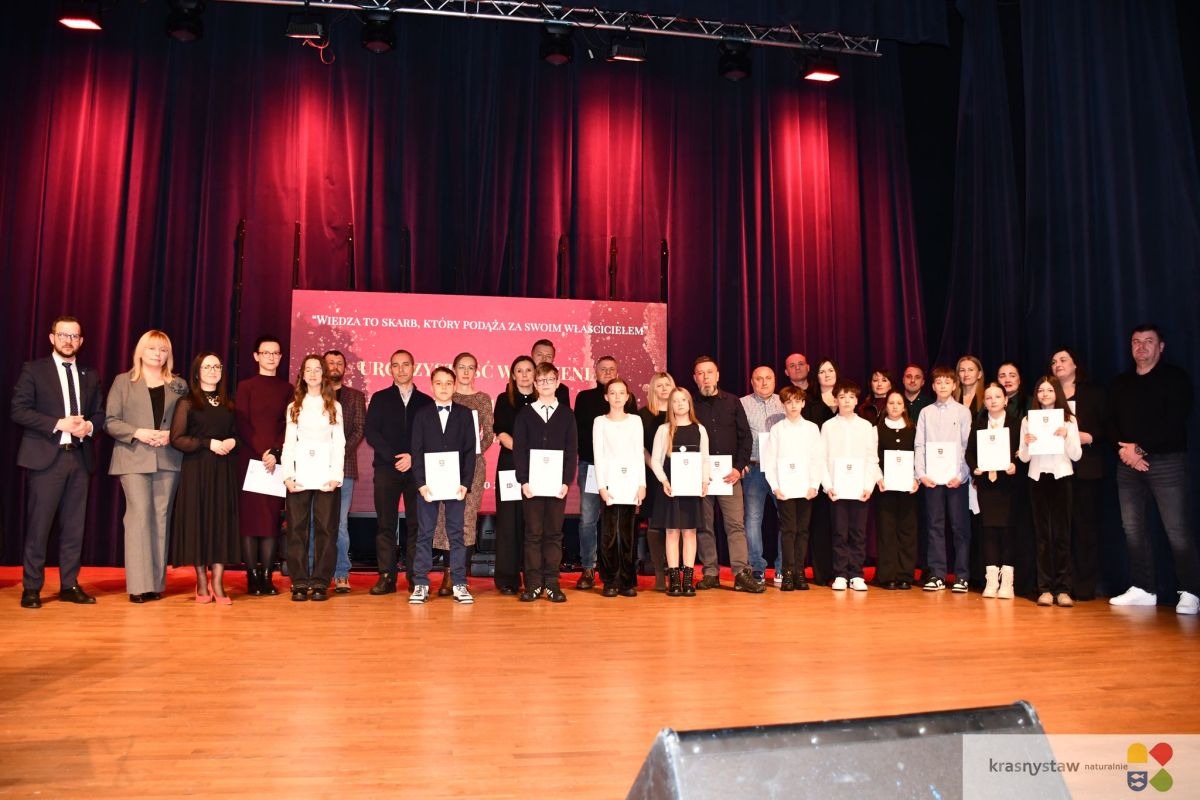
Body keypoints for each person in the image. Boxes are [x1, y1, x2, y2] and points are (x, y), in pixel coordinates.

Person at [11, 316, 105, 608]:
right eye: (63, 335)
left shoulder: (90, 374)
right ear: (52, 338)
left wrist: (89, 427)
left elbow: (100, 414)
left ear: (81, 341)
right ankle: (31, 588)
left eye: (74, 336)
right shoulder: (34, 370)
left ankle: (69, 584)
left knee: (74, 528)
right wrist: (58, 424)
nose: (69, 340)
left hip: (79, 459)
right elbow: (19, 410)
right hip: (46, 461)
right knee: (39, 527)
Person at [1107, 324, 1200, 614]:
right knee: (1133, 529)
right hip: (1127, 465)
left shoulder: (1175, 378)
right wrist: (1125, 451)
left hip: (1167, 462)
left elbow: (1175, 421)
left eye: (1148, 341)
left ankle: (1191, 591)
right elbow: (1109, 422)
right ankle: (1143, 588)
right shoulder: (1121, 382)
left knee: (1177, 529)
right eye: (1136, 342)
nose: (1141, 347)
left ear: (1161, 346)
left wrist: (1140, 449)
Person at [104, 330, 187, 603]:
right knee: (139, 517)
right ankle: (138, 586)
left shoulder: (179, 385)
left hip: (167, 459)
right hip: (133, 457)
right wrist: (137, 432)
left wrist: (171, 435)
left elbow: (188, 421)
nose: (158, 354)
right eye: (152, 349)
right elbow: (111, 421)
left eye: (163, 350)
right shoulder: (123, 381)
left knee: (161, 518)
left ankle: (155, 584)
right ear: (141, 351)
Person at [169, 352, 240, 604]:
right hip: (197, 471)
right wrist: (207, 443)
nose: (212, 371)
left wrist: (233, 441)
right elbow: (177, 439)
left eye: (216, 366)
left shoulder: (229, 403)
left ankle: (218, 583)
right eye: (207, 367)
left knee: (221, 524)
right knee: (198, 524)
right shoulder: (187, 402)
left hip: (223, 472)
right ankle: (201, 581)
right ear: (197, 373)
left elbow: (237, 434)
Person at [364, 349, 433, 595]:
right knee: (386, 524)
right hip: (387, 468)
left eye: (406, 364)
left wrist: (413, 458)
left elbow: (431, 436)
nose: (401, 369)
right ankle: (386, 577)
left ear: (414, 367)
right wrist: (395, 457)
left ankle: (415, 576)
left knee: (417, 525)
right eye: (396, 365)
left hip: (417, 471)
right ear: (390, 369)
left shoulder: (426, 401)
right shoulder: (380, 398)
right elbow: (371, 432)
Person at [692, 356, 762, 593]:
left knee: (735, 525)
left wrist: (739, 467)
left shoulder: (733, 402)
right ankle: (710, 573)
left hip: (729, 475)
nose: (705, 377)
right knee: (704, 526)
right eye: (701, 373)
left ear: (717, 375)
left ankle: (741, 573)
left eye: (709, 372)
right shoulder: (690, 404)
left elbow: (746, 437)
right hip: (702, 476)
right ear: (695, 378)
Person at [409, 367, 478, 604]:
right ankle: (420, 583)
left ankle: (459, 583)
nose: (444, 387)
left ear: (455, 385)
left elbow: (470, 452)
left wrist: (465, 483)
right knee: (424, 533)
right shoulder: (422, 414)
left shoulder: (465, 414)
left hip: (455, 486)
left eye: (448, 383)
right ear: (431, 386)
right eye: (439, 383)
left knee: (456, 534)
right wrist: (420, 483)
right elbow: (416, 451)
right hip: (428, 486)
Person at [281, 356, 345, 602]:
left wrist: (335, 476)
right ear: (302, 375)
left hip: (326, 476)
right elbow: (289, 443)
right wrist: (287, 475)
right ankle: (299, 581)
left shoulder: (334, 406)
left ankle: (320, 582)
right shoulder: (294, 406)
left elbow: (339, 443)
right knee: (296, 529)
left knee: (326, 530)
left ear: (324, 374)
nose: (313, 373)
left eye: (317, 369)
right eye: (308, 370)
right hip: (300, 476)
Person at [513, 362, 578, 602]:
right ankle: (532, 584)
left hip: (556, 486)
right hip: (531, 486)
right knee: (533, 534)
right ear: (535, 384)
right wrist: (523, 480)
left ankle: (552, 583)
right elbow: (519, 450)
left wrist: (566, 481)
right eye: (541, 380)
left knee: (553, 534)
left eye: (550, 380)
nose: (546, 384)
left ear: (557, 382)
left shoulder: (567, 414)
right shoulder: (526, 413)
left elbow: (571, 450)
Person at [431, 352, 494, 596]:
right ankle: (448, 573)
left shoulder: (482, 399)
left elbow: (488, 434)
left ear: (476, 371)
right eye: (461, 367)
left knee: (466, 520)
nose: (466, 372)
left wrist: (474, 451)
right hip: (444, 466)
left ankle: (460, 575)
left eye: (470, 367)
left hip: (473, 467)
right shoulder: (447, 396)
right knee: (445, 519)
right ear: (454, 370)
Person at [572, 355, 636, 591]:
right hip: (591, 466)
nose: (607, 372)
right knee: (588, 519)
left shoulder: (627, 400)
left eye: (612, 369)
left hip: (621, 473)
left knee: (617, 522)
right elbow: (579, 432)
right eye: (603, 369)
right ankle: (588, 568)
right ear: (595, 372)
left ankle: (618, 573)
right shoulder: (584, 398)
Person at [1018, 376, 1082, 607]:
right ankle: (1044, 589)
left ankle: (1063, 589)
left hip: (1061, 477)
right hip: (1037, 478)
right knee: (1042, 537)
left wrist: (1066, 436)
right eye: (1040, 390)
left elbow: (1076, 455)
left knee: (1062, 536)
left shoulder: (1069, 420)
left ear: (1057, 393)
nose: (1044, 394)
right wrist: (1026, 443)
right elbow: (1023, 457)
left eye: (1049, 390)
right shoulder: (1028, 420)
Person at [234, 335, 291, 596]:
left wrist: (276, 452)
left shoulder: (288, 389)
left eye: (275, 353)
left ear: (280, 357)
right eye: (266, 352)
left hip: (274, 464)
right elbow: (242, 423)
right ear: (256, 356)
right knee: (249, 522)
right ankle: (251, 576)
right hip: (250, 461)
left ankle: (267, 577)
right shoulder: (245, 387)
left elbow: (289, 424)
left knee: (269, 521)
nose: (271, 357)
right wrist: (263, 451)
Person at [1049, 348, 1105, 601]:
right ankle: (1061, 584)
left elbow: (1107, 426)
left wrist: (1087, 437)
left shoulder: (1092, 393)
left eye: (1063, 360)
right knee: (1058, 530)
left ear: (1075, 365)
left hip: (1085, 469)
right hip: (1056, 470)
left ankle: (1084, 586)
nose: (1057, 365)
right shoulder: (1048, 394)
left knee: (1085, 529)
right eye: (1054, 362)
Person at [915, 366, 973, 593]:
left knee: (960, 527)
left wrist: (961, 475)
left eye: (947, 382)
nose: (942, 386)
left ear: (954, 385)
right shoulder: (926, 412)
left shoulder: (962, 412)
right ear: (932, 386)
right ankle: (937, 574)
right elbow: (920, 445)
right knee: (934, 526)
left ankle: (962, 575)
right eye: (938, 382)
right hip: (932, 479)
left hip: (956, 478)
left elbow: (967, 446)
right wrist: (921, 474)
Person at [820, 380, 881, 591]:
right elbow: (821, 458)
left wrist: (868, 486)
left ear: (857, 400)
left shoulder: (866, 426)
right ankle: (840, 574)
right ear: (835, 400)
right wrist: (827, 485)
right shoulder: (828, 426)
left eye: (851, 397)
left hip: (859, 489)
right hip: (836, 489)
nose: (846, 401)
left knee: (858, 533)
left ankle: (856, 574)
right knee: (839, 532)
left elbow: (872, 458)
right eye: (842, 397)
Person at [650, 387, 710, 597]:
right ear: (670, 406)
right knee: (672, 532)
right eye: (675, 401)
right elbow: (655, 460)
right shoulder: (664, 430)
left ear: (689, 403)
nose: (680, 404)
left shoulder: (699, 429)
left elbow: (705, 459)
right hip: (671, 490)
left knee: (690, 532)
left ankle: (688, 580)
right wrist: (664, 481)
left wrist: (704, 481)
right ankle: (674, 580)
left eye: (684, 400)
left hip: (692, 490)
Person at [763, 385, 823, 592]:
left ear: (803, 403)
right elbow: (770, 461)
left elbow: (817, 459)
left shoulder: (812, 429)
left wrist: (814, 485)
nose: (793, 405)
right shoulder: (777, 429)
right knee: (788, 531)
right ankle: (787, 572)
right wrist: (775, 487)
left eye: (797, 401)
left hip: (806, 489)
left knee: (803, 531)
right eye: (789, 402)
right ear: (783, 405)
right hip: (785, 489)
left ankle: (799, 572)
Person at [965, 383, 1020, 599]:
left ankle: (1007, 581)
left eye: (997, 396)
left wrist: (1016, 464)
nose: (993, 400)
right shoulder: (978, 424)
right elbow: (969, 453)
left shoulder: (1016, 424)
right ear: (984, 402)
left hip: (1009, 485)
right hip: (987, 485)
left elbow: (1023, 452)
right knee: (988, 531)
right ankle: (991, 579)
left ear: (1006, 400)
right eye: (988, 398)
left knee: (1008, 531)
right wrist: (975, 468)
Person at [592, 377, 647, 596]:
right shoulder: (600, 421)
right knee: (608, 533)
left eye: (621, 393)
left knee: (628, 533)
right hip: (610, 483)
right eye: (612, 393)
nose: (617, 397)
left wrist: (641, 484)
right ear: (606, 397)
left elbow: (638, 453)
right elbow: (599, 455)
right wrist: (602, 486)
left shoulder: (635, 421)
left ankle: (627, 580)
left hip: (630, 483)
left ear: (627, 396)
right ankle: (609, 580)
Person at [492, 355, 537, 595]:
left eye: (529, 370)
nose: (524, 375)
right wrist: (524, 451)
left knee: (533, 522)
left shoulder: (543, 400)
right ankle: (508, 579)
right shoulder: (503, 399)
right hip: (510, 464)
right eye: (519, 370)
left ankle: (533, 577)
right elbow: (501, 432)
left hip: (539, 467)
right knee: (509, 522)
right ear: (512, 375)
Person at [324, 350, 366, 594]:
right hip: (315, 469)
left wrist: (337, 455)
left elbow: (359, 429)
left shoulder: (355, 397)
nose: (335, 366)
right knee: (316, 523)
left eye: (339, 363)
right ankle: (316, 571)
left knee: (340, 524)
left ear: (345, 368)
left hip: (345, 469)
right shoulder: (313, 395)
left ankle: (341, 573)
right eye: (330, 362)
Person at [740, 365, 784, 583]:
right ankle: (757, 567)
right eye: (759, 378)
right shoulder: (742, 403)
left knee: (786, 518)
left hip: (781, 469)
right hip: (754, 468)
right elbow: (738, 435)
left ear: (775, 380)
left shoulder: (785, 402)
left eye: (768, 378)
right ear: (752, 382)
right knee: (752, 519)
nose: (764, 382)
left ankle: (783, 567)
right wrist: (741, 462)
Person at [874, 390, 919, 590]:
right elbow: (873, 457)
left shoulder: (913, 429)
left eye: (899, 403)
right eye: (891, 403)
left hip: (908, 489)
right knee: (887, 531)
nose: (894, 406)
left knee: (907, 531)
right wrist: (879, 478)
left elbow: (919, 455)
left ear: (904, 407)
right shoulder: (877, 429)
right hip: (885, 488)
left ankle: (905, 575)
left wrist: (916, 478)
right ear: (886, 406)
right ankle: (887, 576)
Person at [637, 371, 675, 591]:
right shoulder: (643, 415)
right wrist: (656, 468)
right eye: (659, 385)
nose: (663, 389)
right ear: (652, 389)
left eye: (667, 384)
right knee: (654, 523)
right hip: (652, 475)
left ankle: (674, 570)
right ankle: (659, 572)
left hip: (678, 475)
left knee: (676, 523)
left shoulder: (679, 412)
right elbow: (640, 447)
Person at [530, 339, 571, 406]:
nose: (544, 359)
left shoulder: (561, 390)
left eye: (548, 356)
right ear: (532, 355)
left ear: (553, 359)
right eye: (539, 355)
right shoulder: (523, 384)